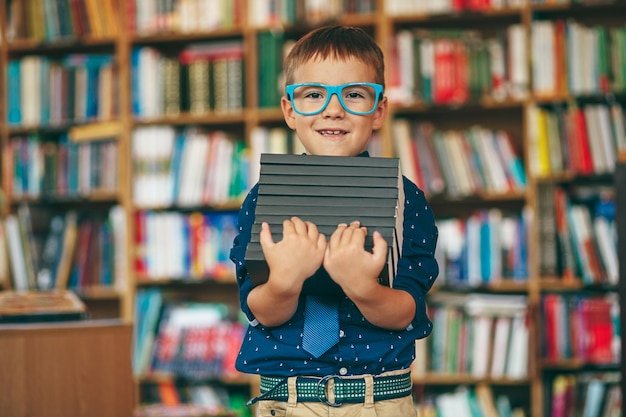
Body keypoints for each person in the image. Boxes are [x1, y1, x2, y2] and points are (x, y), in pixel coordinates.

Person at [230, 25, 438, 416]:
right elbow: (261, 310)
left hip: (378, 399)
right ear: (290, 111)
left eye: (354, 95)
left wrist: (361, 285)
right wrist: (285, 282)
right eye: (313, 95)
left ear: (378, 111)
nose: (333, 109)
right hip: (288, 400)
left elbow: (406, 311)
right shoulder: (263, 199)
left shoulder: (405, 198)